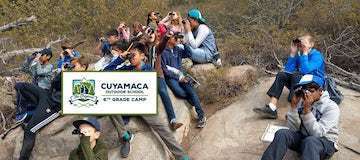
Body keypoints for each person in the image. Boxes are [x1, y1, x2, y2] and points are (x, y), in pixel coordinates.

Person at [108, 42, 191, 160]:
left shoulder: (149, 69)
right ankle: (125, 136)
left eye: (134, 55)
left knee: (162, 129)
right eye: (129, 55)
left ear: (142, 56)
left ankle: (181, 156)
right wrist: (121, 58)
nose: (131, 57)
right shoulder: (127, 68)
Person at [261, 74, 339, 160]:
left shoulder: (331, 107)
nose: (306, 94)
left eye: (311, 91)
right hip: (304, 138)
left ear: (320, 91)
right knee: (282, 133)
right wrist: (293, 107)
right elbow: (294, 129)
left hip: (325, 142)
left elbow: (318, 133)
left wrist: (307, 111)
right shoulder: (302, 101)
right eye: (303, 91)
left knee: (310, 142)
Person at [253, 34, 326, 119]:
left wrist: (305, 54)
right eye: (300, 42)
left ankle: (294, 111)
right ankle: (272, 107)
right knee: (281, 75)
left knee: (297, 75)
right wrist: (293, 53)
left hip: (315, 83)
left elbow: (306, 70)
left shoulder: (317, 55)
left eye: (304, 42)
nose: (301, 44)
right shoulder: (300, 54)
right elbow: (288, 70)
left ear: (311, 44)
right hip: (301, 81)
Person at [161, 32, 207, 128]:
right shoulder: (163, 52)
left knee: (191, 90)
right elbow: (165, 70)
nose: (177, 39)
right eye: (175, 38)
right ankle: (194, 101)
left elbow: (189, 54)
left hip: (182, 75)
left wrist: (185, 44)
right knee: (180, 92)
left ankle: (201, 116)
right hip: (172, 77)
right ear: (168, 39)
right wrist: (178, 77)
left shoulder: (177, 49)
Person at [142, 31, 184, 130]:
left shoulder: (157, 48)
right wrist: (145, 37)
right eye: (148, 32)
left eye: (152, 32)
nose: (151, 34)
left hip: (157, 75)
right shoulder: (141, 48)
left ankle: (172, 120)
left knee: (163, 92)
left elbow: (162, 45)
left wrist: (166, 37)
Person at [18, 73, 62, 160]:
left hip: (54, 105)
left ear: (83, 67)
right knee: (20, 85)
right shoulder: (68, 72)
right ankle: (26, 114)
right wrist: (62, 74)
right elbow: (54, 83)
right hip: (47, 94)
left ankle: (23, 158)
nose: (72, 66)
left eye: (75, 65)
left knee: (29, 130)